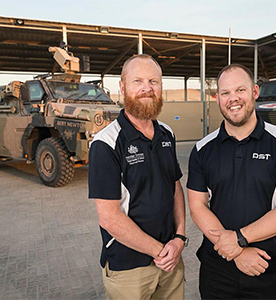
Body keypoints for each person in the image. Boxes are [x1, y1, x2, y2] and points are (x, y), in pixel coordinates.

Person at [187, 64, 276, 300]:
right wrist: (236, 252)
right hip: (216, 271)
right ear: (217, 98)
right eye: (225, 93)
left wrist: (239, 239)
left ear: (255, 92)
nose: (233, 99)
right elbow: (197, 206)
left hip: (267, 268)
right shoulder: (202, 149)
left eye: (240, 90)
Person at [88, 54, 187, 300]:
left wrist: (180, 237)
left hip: (171, 261)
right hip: (130, 268)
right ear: (122, 88)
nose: (147, 88)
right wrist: (161, 251)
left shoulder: (167, 134)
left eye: (154, 81)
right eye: (138, 81)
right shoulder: (106, 144)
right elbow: (109, 218)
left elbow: (175, 186)